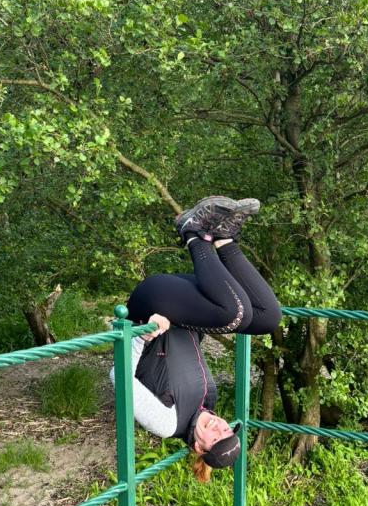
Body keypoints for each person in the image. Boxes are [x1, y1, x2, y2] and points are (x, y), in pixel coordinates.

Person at [113, 195, 282, 482]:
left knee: (234, 314)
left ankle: (193, 232)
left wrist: (143, 337)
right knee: (267, 318)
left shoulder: (167, 423)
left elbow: (118, 376)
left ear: (199, 448)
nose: (220, 427)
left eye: (216, 438)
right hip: (178, 305)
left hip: (149, 305)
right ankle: (225, 239)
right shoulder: (208, 400)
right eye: (227, 430)